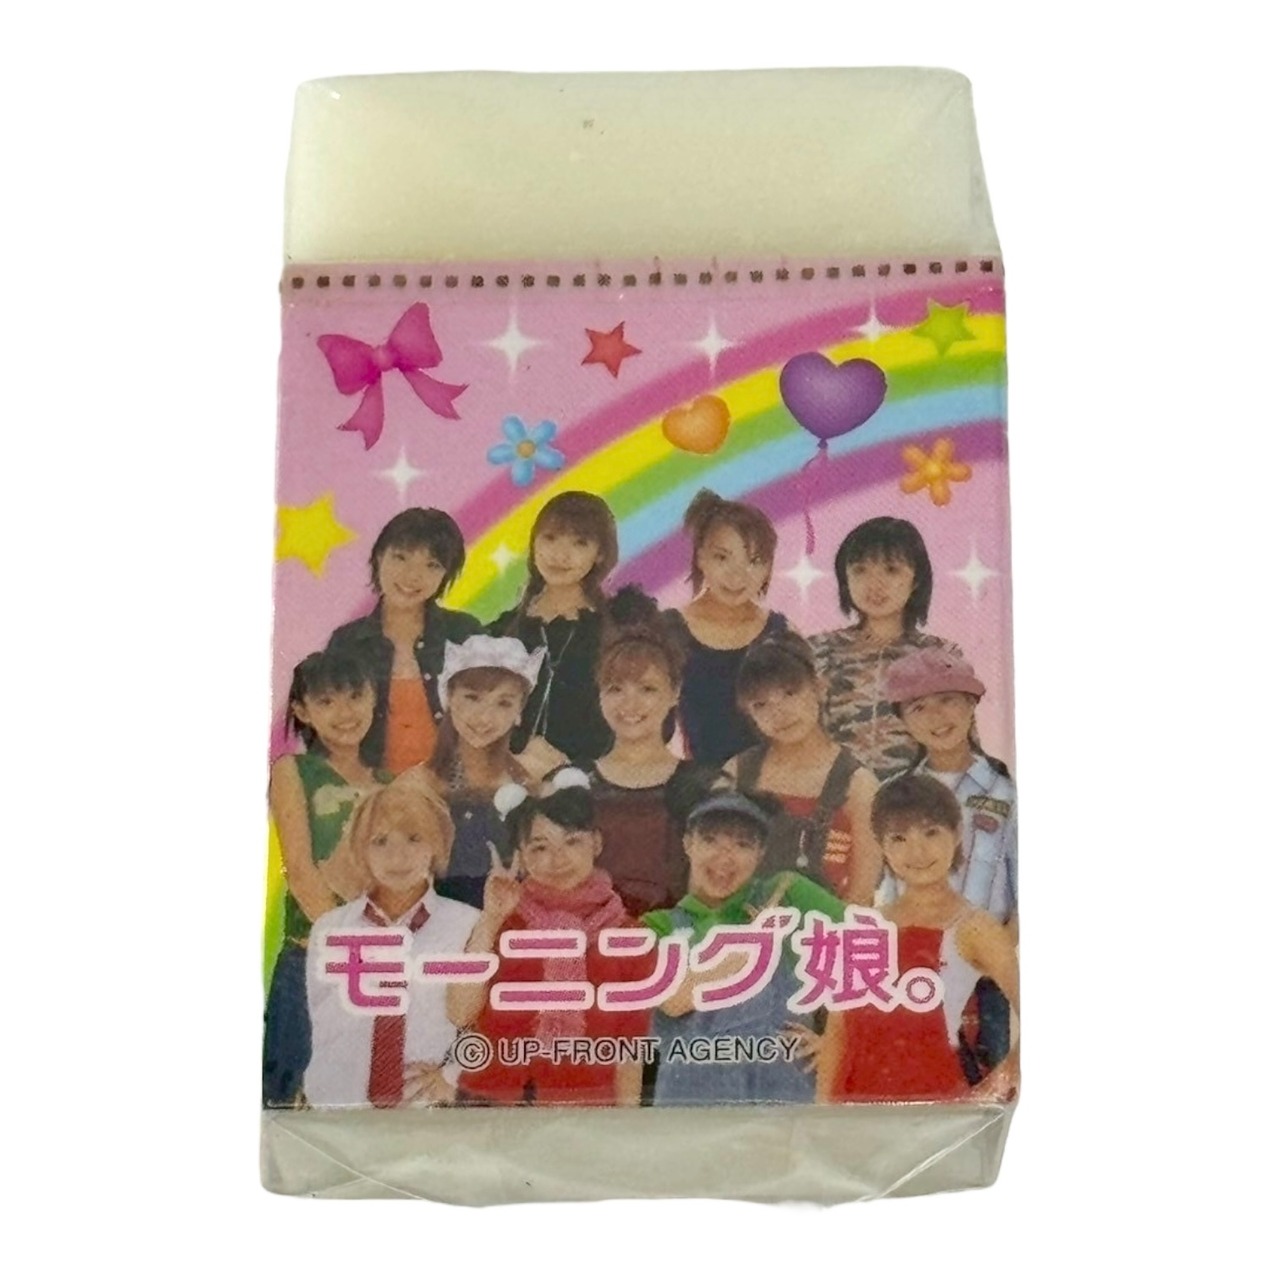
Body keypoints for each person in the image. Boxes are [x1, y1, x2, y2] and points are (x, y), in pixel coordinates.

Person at [816, 775, 1019, 1103]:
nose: (917, 851)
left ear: (957, 833)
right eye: (899, 838)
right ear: (882, 846)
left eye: (931, 832)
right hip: (853, 1112)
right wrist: (822, 1115)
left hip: (936, 1110)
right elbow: (837, 1033)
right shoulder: (864, 927)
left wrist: (996, 1085)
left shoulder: (974, 927)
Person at [454, 770, 652, 1105]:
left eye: (572, 842)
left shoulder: (629, 936)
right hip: (491, 1103)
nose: (557, 859)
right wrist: (490, 919)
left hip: (585, 1109)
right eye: (540, 847)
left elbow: (630, 1050)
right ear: (521, 853)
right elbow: (460, 1013)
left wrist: (624, 1124)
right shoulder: (502, 922)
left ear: (596, 842)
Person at [643, 790, 846, 1105]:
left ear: (760, 853)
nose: (724, 858)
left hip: (784, 1102)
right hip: (689, 1108)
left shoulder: (787, 893)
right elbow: (674, 1001)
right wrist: (755, 942)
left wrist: (836, 1041)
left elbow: (875, 951)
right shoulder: (659, 925)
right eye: (710, 840)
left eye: (742, 845)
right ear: (688, 843)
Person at [263, 647, 388, 1106]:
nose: (345, 712)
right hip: (311, 959)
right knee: (292, 1103)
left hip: (380, 965)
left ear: (373, 698)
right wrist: (350, 944)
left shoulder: (392, 783)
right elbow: (299, 871)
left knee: (360, 1096)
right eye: (327, 701)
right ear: (302, 710)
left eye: (355, 696)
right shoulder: (293, 771)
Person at [304, 783, 480, 1108]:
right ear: (361, 850)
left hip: (428, 1112)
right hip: (337, 1110)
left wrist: (454, 1076)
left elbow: (486, 1022)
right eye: (380, 841)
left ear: (436, 844)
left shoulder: (468, 924)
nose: (397, 857)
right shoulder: (331, 929)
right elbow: (321, 1023)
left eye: (414, 838)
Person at [573, 586, 719, 916]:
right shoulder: (572, 782)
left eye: (647, 689)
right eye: (615, 689)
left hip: (679, 941)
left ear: (674, 692)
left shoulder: (705, 784)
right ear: (599, 694)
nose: (630, 704)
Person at [727, 634, 881, 904]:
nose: (779, 712)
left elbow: (862, 896)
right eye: (761, 705)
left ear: (819, 688)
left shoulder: (859, 785)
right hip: (741, 924)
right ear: (748, 713)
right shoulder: (736, 772)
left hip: (825, 925)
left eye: (790, 693)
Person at [396, 635, 546, 910]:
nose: (484, 717)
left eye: (503, 703)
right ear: (449, 698)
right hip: (442, 927)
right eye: (472, 698)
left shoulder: (535, 778)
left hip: (522, 923)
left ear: (520, 711)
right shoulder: (416, 786)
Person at [328, 507, 482, 774]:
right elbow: (325, 729)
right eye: (400, 557)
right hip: (374, 790)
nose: (413, 576)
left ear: (446, 574)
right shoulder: (348, 642)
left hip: (455, 787)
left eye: (432, 565)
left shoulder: (464, 632)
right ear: (379, 557)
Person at [808, 516, 964, 778]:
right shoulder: (816, 651)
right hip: (833, 795)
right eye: (860, 570)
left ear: (916, 580)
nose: (875, 584)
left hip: (915, 796)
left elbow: (961, 748)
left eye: (891, 570)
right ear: (845, 578)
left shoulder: (941, 656)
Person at [490, 491, 618, 763]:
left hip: (591, 782)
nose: (560, 555)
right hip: (506, 780)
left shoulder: (618, 632)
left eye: (580, 543)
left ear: (600, 554)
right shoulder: (499, 633)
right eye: (549, 538)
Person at [666, 489, 789, 766]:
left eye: (754, 561)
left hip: (777, 782)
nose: (737, 575)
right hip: (703, 783)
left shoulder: (781, 632)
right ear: (701, 557)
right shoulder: (669, 630)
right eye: (722, 557)